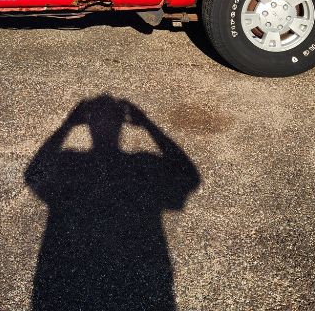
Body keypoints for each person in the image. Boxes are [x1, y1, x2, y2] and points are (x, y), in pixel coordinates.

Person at [25, 94, 200, 311]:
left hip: (70, 279)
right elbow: (188, 176)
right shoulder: (142, 165)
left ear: (87, 125)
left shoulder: (72, 163)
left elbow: (34, 173)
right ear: (123, 125)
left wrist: (67, 125)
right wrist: (148, 125)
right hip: (139, 278)